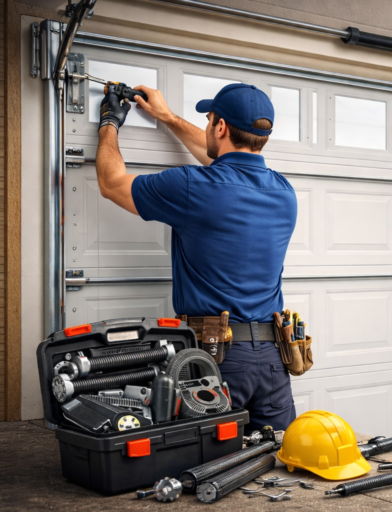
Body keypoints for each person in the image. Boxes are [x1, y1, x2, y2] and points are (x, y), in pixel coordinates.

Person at [94, 83, 298, 432]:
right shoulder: (283, 192)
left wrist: (109, 123)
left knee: (210, 470)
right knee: (279, 464)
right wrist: (168, 117)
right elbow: (226, 162)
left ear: (220, 127)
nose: (205, 127)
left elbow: (111, 183)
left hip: (216, 362)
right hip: (272, 362)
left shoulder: (193, 187)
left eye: (209, 120)